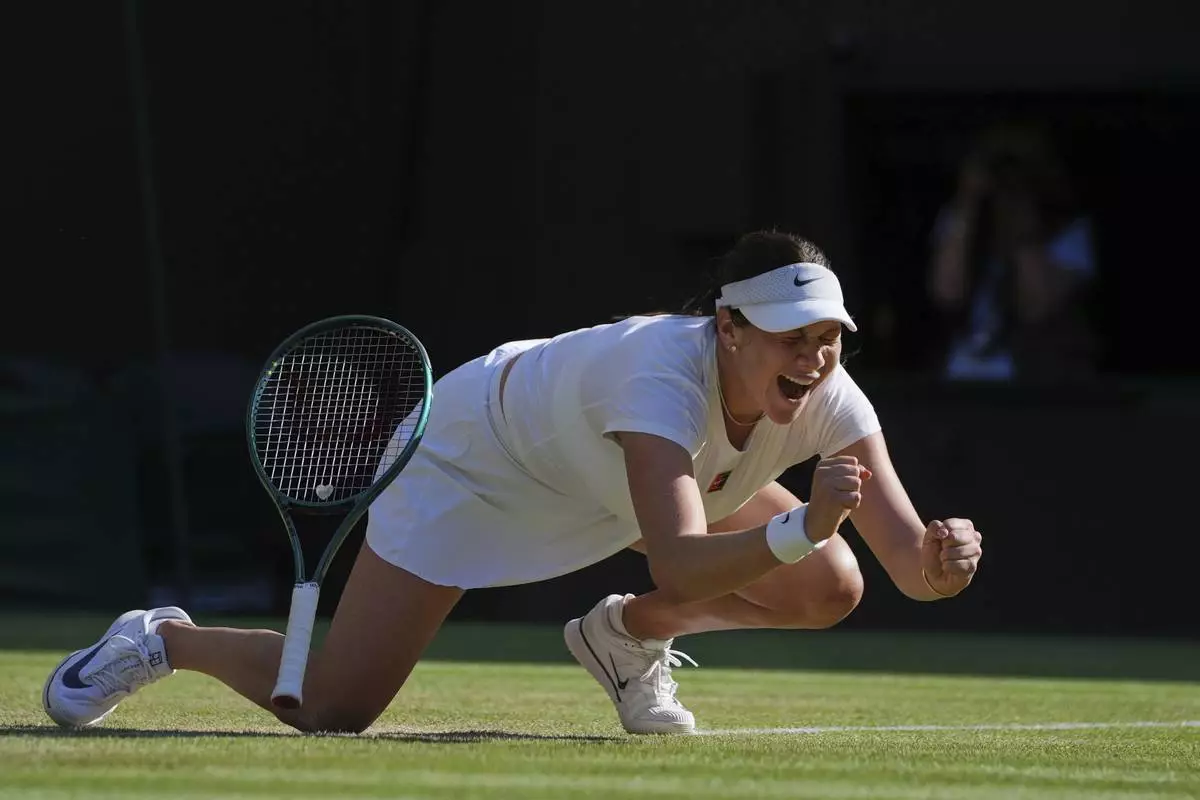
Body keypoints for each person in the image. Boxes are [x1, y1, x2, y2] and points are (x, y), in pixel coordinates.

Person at [43, 230, 984, 736]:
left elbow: (908, 565)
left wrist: (943, 564)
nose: (814, 358)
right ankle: (165, 640)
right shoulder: (659, 377)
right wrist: (803, 523)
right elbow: (681, 560)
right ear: (729, 329)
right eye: (791, 338)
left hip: (607, 479)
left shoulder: (828, 393)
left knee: (830, 587)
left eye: (827, 339)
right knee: (331, 709)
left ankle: (622, 640)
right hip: (476, 460)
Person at [929, 122, 1100, 381]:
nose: (1006, 181)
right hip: (962, 379)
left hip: (1036, 382)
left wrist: (1022, 221)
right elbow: (947, 292)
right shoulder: (965, 222)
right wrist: (968, 200)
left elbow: (1036, 305)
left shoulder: (1068, 231)